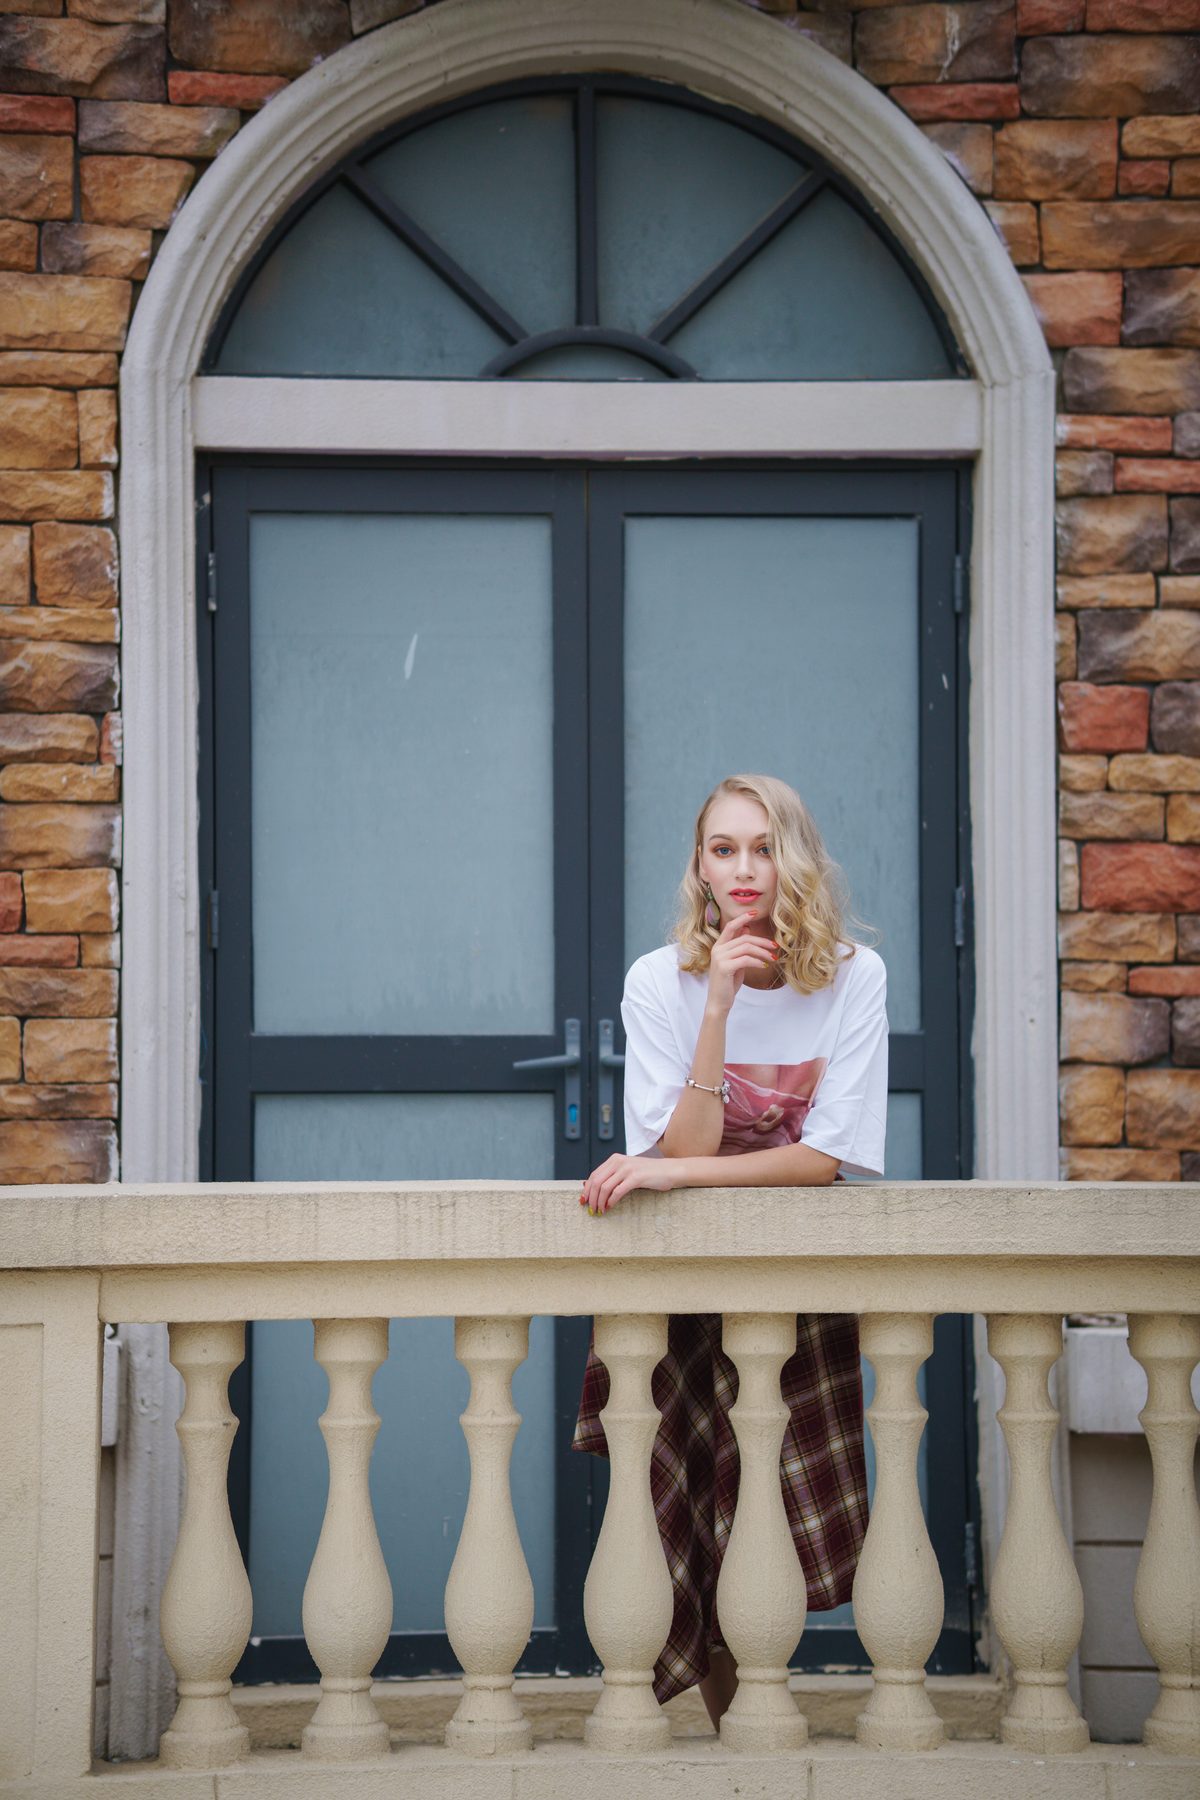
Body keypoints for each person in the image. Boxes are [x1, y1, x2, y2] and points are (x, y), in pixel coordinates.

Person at [573, 772, 888, 1730]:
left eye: (764, 847)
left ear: (795, 859)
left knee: (776, 1510)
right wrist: (715, 1005)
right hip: (679, 1285)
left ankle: (761, 1728)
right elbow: (692, 1140)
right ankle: (736, 1740)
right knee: (688, 1522)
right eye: (723, 849)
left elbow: (821, 1163)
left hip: (793, 1288)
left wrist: (670, 1173)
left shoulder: (853, 977)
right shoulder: (657, 981)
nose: (744, 869)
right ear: (700, 867)